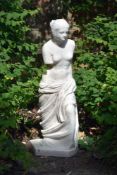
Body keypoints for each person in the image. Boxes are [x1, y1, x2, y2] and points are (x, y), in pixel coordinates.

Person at [27, 19, 79, 157]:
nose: (65, 35)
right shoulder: (47, 47)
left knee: (69, 110)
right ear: (53, 32)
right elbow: (49, 66)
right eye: (61, 32)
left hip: (67, 84)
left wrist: (71, 80)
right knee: (51, 119)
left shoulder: (71, 44)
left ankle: (66, 144)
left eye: (66, 32)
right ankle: (52, 141)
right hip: (50, 86)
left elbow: (70, 65)